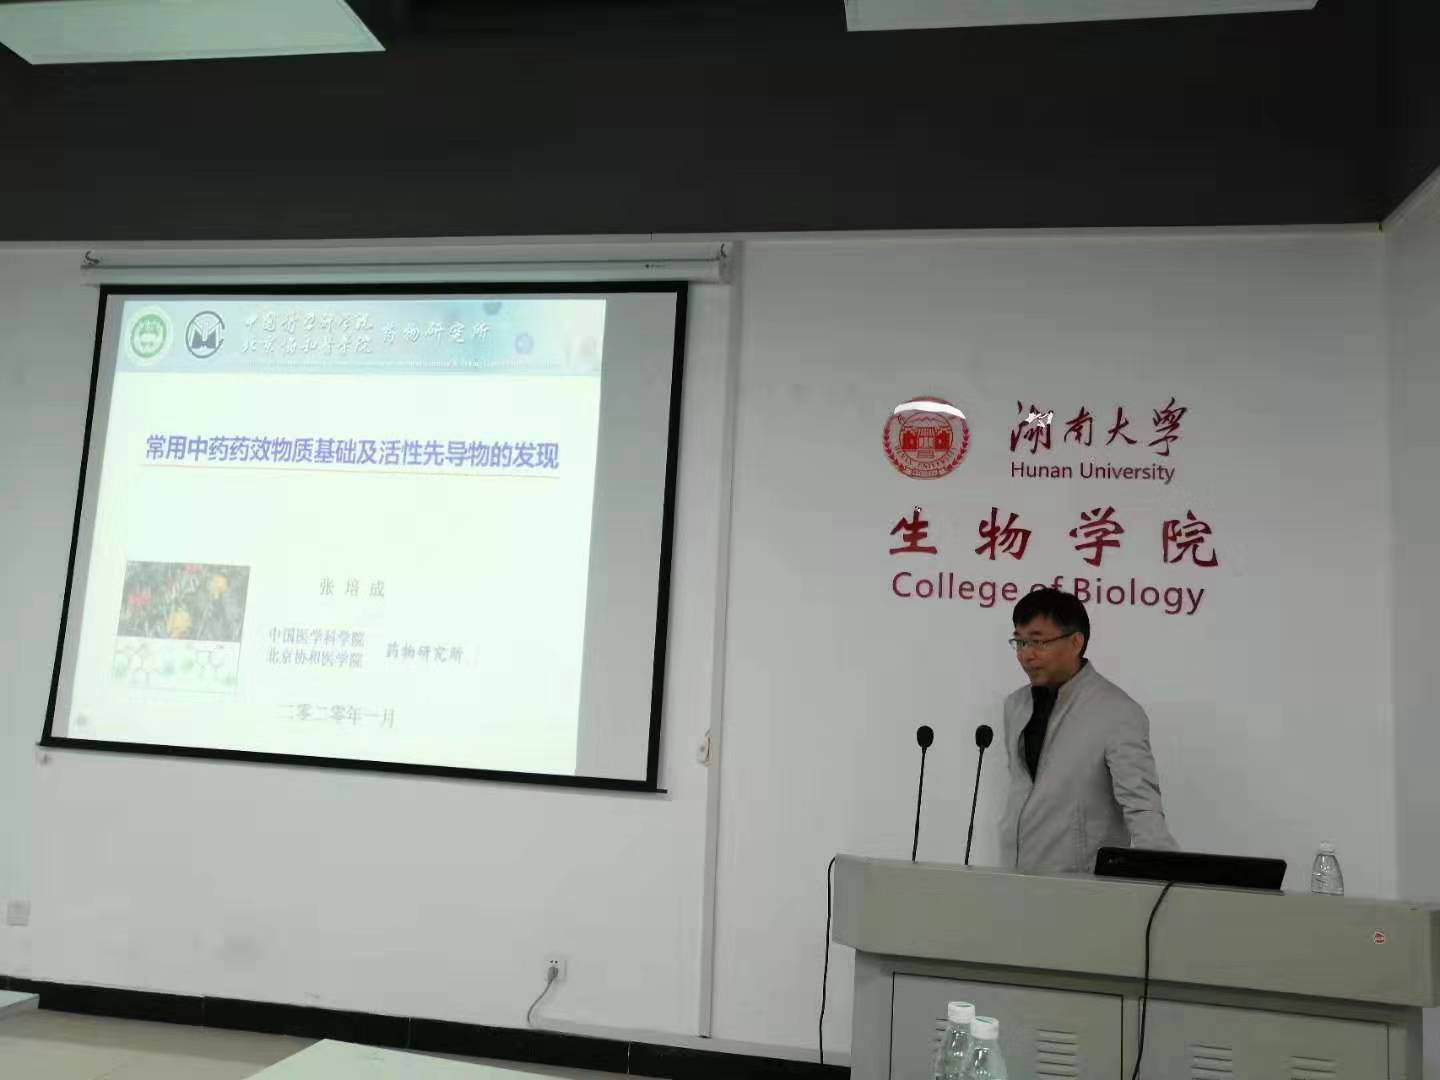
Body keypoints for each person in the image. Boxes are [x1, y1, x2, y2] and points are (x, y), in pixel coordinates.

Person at [997, 588, 1176, 874]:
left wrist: (1163, 875)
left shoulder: (1117, 711)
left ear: (1075, 642)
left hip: (1081, 884)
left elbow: (1141, 805)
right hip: (1014, 875)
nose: (1026, 655)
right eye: (1019, 642)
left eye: (1037, 642)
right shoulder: (1015, 705)